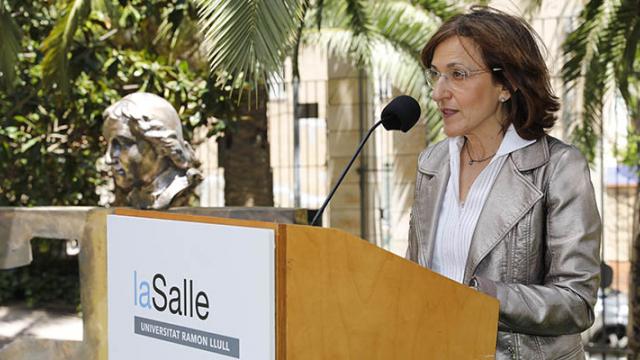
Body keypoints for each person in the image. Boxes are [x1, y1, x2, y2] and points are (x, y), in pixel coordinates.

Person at [405, 6, 601, 359]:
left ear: (506, 85)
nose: (439, 92)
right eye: (436, 75)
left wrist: (484, 296)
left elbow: (577, 302)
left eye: (458, 74)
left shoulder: (558, 168)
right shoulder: (432, 164)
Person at [102, 92, 202, 209]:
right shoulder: (138, 197)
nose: (108, 159)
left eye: (122, 144)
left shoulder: (176, 190)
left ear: (161, 147)